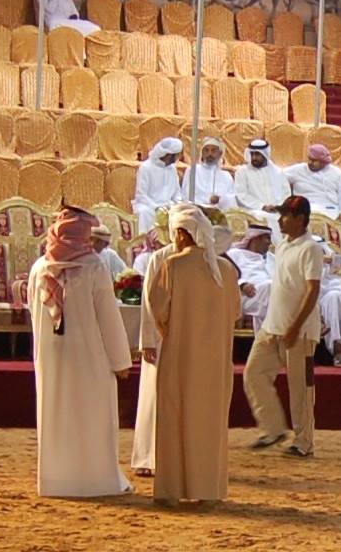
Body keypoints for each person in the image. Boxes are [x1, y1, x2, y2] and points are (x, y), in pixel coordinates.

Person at [28, 207, 133, 498]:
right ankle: (96, 481)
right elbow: (108, 316)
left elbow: (34, 315)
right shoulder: (93, 266)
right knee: (92, 415)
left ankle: (57, 481)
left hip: (52, 355)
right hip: (89, 355)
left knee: (57, 412)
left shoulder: (39, 267)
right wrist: (120, 360)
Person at [141, 205, 239, 503]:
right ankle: (208, 490)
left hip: (181, 358)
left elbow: (158, 310)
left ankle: (173, 490)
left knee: (176, 419)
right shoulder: (226, 270)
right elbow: (235, 313)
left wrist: (175, 330)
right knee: (210, 423)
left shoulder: (173, 265)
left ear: (182, 234)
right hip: (216, 362)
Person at [245, 196, 325, 458]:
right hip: (273, 325)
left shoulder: (311, 248)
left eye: (286, 216)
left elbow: (313, 290)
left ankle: (304, 442)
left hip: (299, 331)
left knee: (300, 389)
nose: (280, 221)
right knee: (253, 373)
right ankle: (273, 428)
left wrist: (295, 326)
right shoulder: (282, 246)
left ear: (300, 219)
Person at [286, 143, 341, 245]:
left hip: (332, 207)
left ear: (324, 162)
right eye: (309, 159)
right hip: (307, 206)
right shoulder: (298, 170)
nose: (310, 163)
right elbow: (279, 176)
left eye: (314, 161)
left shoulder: (336, 173)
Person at [134, 139, 185, 231]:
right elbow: (141, 195)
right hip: (149, 206)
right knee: (143, 212)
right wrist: (157, 208)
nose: (179, 158)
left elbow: (176, 194)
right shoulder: (146, 167)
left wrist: (178, 205)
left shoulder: (172, 169)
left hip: (168, 206)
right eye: (177, 155)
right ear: (169, 155)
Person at [228, 224, 275, 326]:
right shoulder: (235, 254)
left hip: (272, 293)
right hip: (247, 295)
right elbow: (226, 275)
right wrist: (242, 285)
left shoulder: (273, 258)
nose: (270, 243)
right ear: (256, 238)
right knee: (270, 286)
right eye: (267, 238)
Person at [180, 138, 236, 210]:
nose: (209, 154)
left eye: (213, 151)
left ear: (220, 154)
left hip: (218, 212)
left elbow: (231, 200)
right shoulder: (193, 170)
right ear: (202, 153)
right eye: (206, 150)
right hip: (195, 210)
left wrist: (220, 200)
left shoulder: (226, 176)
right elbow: (185, 195)